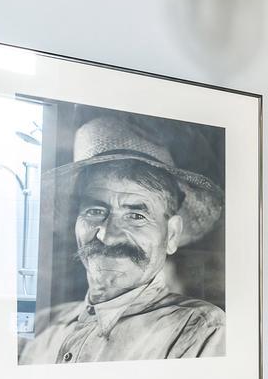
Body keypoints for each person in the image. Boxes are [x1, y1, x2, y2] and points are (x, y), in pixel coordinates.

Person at [20, 117, 227, 364]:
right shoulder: (41, 327)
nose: (108, 236)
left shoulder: (199, 332)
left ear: (172, 234)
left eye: (136, 216)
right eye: (95, 211)